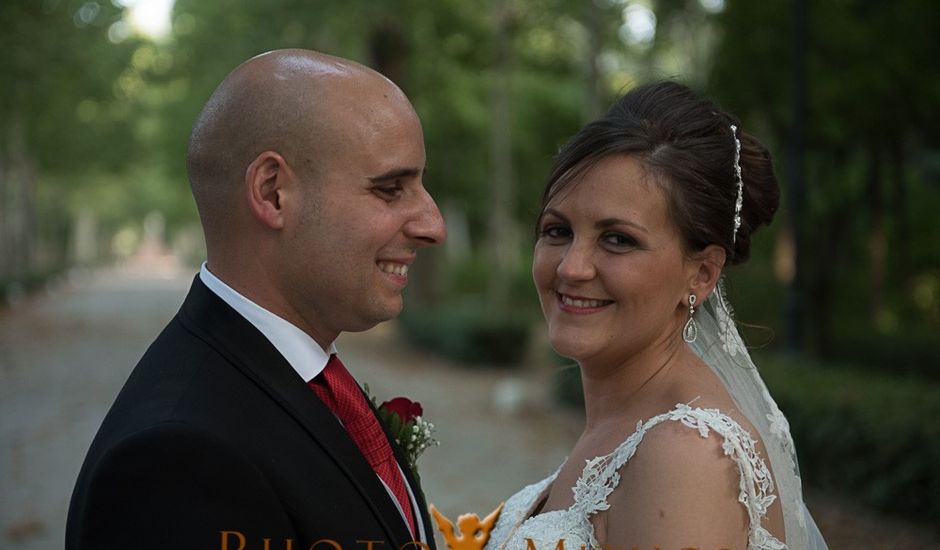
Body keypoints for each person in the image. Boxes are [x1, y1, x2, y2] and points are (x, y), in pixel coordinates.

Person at [66, 49, 445, 549]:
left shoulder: (304, 380)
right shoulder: (175, 460)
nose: (432, 226)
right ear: (272, 194)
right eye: (390, 189)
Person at [484, 82, 826, 550]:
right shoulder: (622, 427)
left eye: (618, 239)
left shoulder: (685, 455)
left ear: (702, 274)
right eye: (557, 230)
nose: (571, 267)